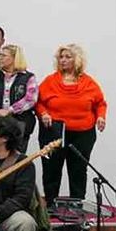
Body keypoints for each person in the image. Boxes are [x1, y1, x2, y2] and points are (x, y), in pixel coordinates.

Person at [36, 44, 108, 201]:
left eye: (68, 57)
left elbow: (100, 103)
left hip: (83, 133)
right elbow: (38, 102)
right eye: (61, 57)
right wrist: (44, 113)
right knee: (51, 169)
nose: (63, 60)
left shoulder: (89, 82)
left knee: (78, 170)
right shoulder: (50, 81)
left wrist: (101, 117)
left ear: (77, 60)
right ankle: (51, 204)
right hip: (55, 131)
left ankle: (77, 204)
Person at [0, 44, 38, 152]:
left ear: (14, 58)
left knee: (16, 156)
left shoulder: (28, 77)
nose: (0, 58)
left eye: (4, 55)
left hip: (20, 123)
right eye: (0, 55)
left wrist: (10, 110)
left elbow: (30, 99)